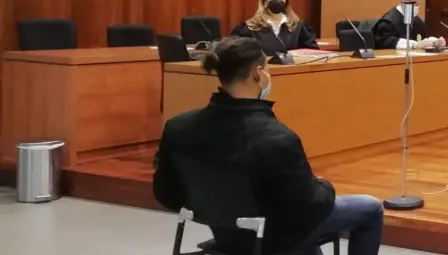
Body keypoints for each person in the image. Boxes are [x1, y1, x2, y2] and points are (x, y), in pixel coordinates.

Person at [152, 37, 384, 255]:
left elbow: (166, 194)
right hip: (274, 236)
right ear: (257, 73)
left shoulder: (177, 127)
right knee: (370, 208)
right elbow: (310, 209)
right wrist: (324, 186)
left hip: (222, 230)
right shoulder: (277, 139)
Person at [231, 0, 319, 57]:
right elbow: (238, 54)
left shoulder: (298, 26)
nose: (278, 0)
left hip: (291, 70)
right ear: (265, 2)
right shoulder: (251, 27)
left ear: (286, 2)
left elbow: (312, 52)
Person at [373, 0, 447, 51]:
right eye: (414, 4)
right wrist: (415, 45)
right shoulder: (388, 21)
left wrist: (434, 42)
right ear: (403, 1)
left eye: (418, 5)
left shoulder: (417, 20)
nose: (416, 7)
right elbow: (388, 42)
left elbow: (425, 37)